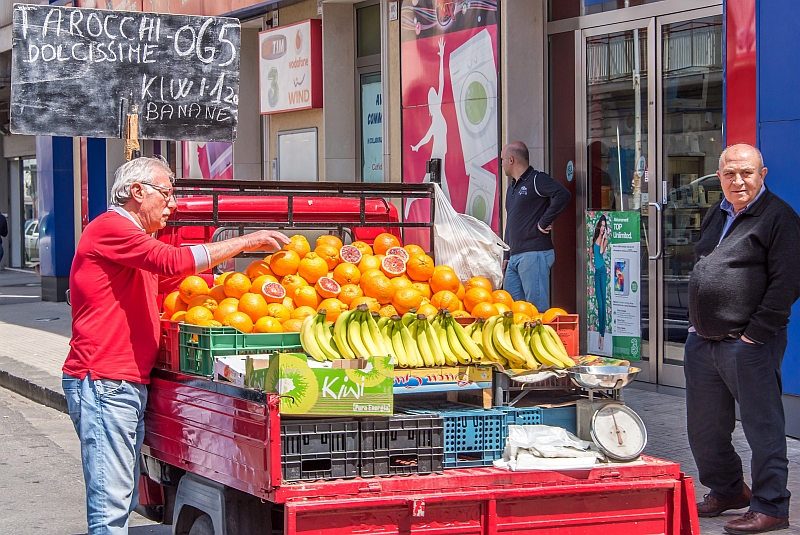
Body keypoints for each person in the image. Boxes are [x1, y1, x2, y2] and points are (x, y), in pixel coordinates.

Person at [61, 157, 289, 535]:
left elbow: (173, 286)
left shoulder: (132, 242)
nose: (173, 205)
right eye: (166, 194)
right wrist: (247, 242)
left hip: (121, 383)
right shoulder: (112, 228)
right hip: (104, 382)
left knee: (120, 497)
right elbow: (172, 262)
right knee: (111, 505)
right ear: (138, 192)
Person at [686, 143, 800, 535]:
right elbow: (704, 264)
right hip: (704, 341)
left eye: (746, 173)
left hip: (748, 343)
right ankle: (729, 491)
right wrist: (694, 324)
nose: (738, 181)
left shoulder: (779, 217)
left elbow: (788, 282)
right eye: (729, 173)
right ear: (719, 176)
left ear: (762, 174)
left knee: (762, 427)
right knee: (704, 428)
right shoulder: (716, 214)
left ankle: (771, 507)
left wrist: (757, 334)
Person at [501, 141, 571, 311]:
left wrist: (544, 221)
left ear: (511, 160)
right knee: (512, 309)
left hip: (534, 253)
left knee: (536, 310)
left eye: (502, 159)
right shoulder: (511, 188)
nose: (501, 163)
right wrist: (506, 254)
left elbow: (563, 194)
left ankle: (541, 337)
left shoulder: (536, 179)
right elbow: (511, 221)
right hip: (515, 256)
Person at [592, 216, 609, 351]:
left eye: (604, 226)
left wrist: (603, 237)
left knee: (603, 304)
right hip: (596, 272)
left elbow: (602, 251)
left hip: (602, 271)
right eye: (601, 226)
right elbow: (593, 255)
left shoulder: (604, 239)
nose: (603, 228)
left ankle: (602, 337)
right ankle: (599, 334)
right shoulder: (594, 239)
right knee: (599, 303)